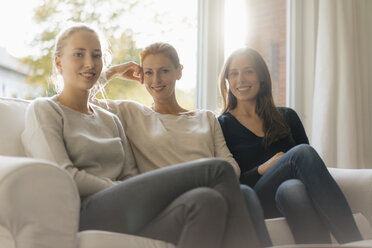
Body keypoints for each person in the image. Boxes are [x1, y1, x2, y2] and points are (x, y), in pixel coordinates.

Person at [21, 23, 264, 248]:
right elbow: (66, 176)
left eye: (96, 56)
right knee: (217, 170)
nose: (90, 63)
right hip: (83, 211)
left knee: (206, 201)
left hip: (126, 207)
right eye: (79, 54)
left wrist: (126, 187)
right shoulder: (45, 109)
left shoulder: (110, 119)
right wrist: (114, 71)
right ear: (58, 62)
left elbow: (130, 175)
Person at [96, 42, 271, 246]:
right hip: (170, 205)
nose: (156, 80)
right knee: (226, 186)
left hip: (210, 194)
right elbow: (78, 97)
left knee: (245, 193)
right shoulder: (132, 113)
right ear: (141, 76)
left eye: (164, 71)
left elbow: (230, 166)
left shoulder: (205, 118)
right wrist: (114, 71)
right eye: (149, 73)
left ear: (179, 72)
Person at [217, 47, 363, 244]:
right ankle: (355, 242)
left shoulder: (287, 117)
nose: (240, 79)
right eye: (233, 73)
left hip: (292, 197)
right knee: (301, 153)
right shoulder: (222, 125)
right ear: (227, 80)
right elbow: (232, 183)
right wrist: (263, 168)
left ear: (261, 76)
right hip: (256, 199)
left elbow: (312, 170)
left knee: (292, 187)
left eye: (248, 71)